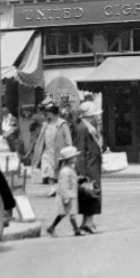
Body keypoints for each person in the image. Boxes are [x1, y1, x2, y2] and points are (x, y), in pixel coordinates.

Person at [73, 101, 104, 234]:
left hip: (92, 165)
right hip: (88, 167)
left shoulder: (88, 127)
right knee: (91, 194)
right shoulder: (83, 128)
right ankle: (88, 223)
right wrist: (81, 172)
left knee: (90, 194)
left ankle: (87, 221)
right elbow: (80, 151)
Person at [31, 102, 72, 195]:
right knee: (47, 169)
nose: (47, 115)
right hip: (47, 151)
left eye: (48, 113)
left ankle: (60, 188)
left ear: (53, 113)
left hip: (59, 151)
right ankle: (52, 187)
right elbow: (41, 138)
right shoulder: (45, 124)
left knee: (58, 171)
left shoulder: (62, 124)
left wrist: (69, 150)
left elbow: (68, 138)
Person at [45, 145, 83, 238]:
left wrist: (78, 179)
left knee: (64, 214)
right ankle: (76, 229)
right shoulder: (66, 171)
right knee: (71, 214)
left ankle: (52, 227)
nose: (76, 159)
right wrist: (66, 198)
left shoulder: (68, 170)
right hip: (68, 196)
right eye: (75, 157)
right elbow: (64, 185)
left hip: (71, 195)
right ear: (70, 159)